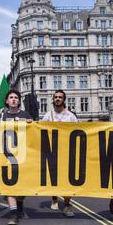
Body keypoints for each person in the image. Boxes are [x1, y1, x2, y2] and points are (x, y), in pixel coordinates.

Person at [42, 90, 78, 218]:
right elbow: (41, 131)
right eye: (56, 97)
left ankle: (67, 205)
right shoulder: (47, 115)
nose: (57, 99)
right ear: (53, 99)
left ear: (64, 100)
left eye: (60, 97)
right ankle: (54, 198)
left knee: (68, 178)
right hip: (52, 151)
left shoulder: (71, 116)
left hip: (67, 151)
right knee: (53, 177)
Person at [1, 90, 32, 225]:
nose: (13, 100)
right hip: (6, 155)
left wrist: (31, 123)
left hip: (23, 155)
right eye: (11, 97)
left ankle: (20, 205)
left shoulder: (25, 115)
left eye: (16, 98)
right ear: (7, 101)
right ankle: (14, 214)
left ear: (19, 101)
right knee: (10, 185)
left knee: (21, 186)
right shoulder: (2, 116)